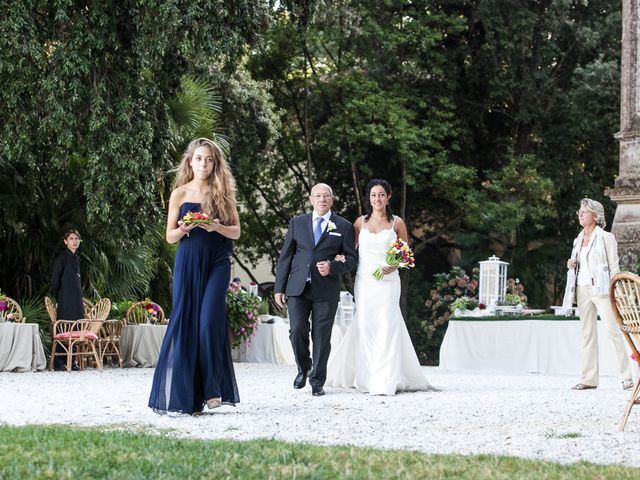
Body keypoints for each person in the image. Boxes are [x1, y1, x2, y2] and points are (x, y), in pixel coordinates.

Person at [148, 138, 240, 415]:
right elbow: (169, 235)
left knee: (209, 320)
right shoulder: (179, 193)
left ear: (215, 163)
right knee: (186, 322)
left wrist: (216, 227)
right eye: (199, 158)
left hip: (218, 261)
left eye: (209, 159)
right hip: (188, 261)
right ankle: (189, 396)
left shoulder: (223, 191)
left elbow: (236, 231)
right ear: (190, 162)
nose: (204, 163)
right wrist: (187, 227)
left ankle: (212, 389)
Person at [326, 179, 431, 395]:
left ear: (388, 196)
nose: (377, 199)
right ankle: (366, 378)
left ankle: (386, 379)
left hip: (388, 282)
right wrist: (337, 256)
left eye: (381, 194)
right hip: (365, 280)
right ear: (369, 198)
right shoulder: (359, 223)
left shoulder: (397, 223)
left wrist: (393, 265)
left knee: (386, 325)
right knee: (365, 325)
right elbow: (350, 251)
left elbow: (406, 253)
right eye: (373, 195)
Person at [274, 183, 357, 396]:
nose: (322, 199)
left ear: (332, 199)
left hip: (326, 289)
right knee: (297, 331)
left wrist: (333, 266)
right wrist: (279, 287)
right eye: (317, 196)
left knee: (321, 336)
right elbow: (285, 257)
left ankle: (317, 380)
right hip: (297, 288)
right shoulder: (297, 223)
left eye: (326, 196)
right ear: (311, 199)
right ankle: (303, 368)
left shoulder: (344, 226)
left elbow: (351, 258)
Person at [562, 198, 634, 391]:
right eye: (580, 210)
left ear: (595, 215)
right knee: (587, 335)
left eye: (584, 211)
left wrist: (616, 292)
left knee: (613, 331)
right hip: (581, 288)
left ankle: (626, 377)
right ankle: (588, 379)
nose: (580, 213)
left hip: (601, 290)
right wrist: (572, 264)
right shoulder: (578, 240)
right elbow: (580, 265)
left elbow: (614, 268)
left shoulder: (606, 237)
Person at [51, 229, 84, 371]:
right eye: (71, 238)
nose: (74, 241)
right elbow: (55, 281)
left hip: (77, 299)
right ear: (66, 241)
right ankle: (59, 362)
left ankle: (73, 360)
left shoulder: (77, 259)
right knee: (64, 328)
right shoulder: (61, 259)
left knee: (76, 327)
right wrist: (57, 298)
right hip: (64, 298)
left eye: (76, 238)